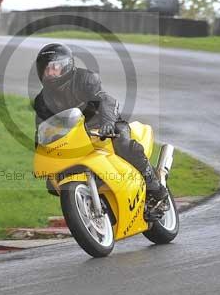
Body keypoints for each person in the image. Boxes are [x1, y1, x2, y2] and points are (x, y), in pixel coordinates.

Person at [32, 43, 169, 211]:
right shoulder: (42, 100)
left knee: (125, 146)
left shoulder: (86, 79)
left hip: (103, 126)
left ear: (66, 65)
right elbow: (42, 129)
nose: (50, 73)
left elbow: (106, 101)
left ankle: (156, 189)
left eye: (54, 68)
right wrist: (42, 157)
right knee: (53, 183)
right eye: (46, 69)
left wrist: (108, 124)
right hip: (75, 138)